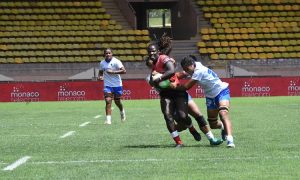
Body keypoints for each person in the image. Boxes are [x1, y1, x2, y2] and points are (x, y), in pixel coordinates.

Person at [146, 57, 223, 146]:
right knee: (182, 123)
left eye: (154, 64)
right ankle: (190, 128)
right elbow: (155, 83)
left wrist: (183, 74)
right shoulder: (150, 77)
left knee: (197, 114)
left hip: (181, 94)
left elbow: (177, 74)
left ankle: (212, 139)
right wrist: (159, 79)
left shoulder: (167, 69)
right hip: (169, 99)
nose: (154, 66)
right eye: (151, 66)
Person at [147, 34, 201, 148]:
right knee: (167, 116)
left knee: (182, 117)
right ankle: (178, 142)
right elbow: (153, 82)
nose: (151, 53)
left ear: (158, 51)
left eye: (153, 51)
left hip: (177, 91)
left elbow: (171, 71)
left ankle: (192, 128)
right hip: (165, 93)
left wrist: (159, 78)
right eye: (149, 52)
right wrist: (153, 81)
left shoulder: (164, 59)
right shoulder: (153, 66)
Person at [172, 55, 235, 148]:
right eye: (185, 69)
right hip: (210, 96)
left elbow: (186, 87)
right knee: (213, 124)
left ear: (192, 65)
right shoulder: (194, 65)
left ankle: (230, 141)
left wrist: (173, 86)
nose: (187, 71)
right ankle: (223, 127)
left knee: (223, 113)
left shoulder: (199, 71)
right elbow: (182, 73)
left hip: (221, 90)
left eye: (187, 69)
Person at [98, 48, 126, 125]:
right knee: (108, 101)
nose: (108, 54)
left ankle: (122, 110)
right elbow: (100, 72)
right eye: (106, 53)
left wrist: (113, 72)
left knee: (117, 101)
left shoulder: (116, 61)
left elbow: (124, 71)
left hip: (117, 85)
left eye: (109, 53)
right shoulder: (102, 63)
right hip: (107, 85)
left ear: (112, 54)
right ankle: (108, 120)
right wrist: (100, 77)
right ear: (104, 55)